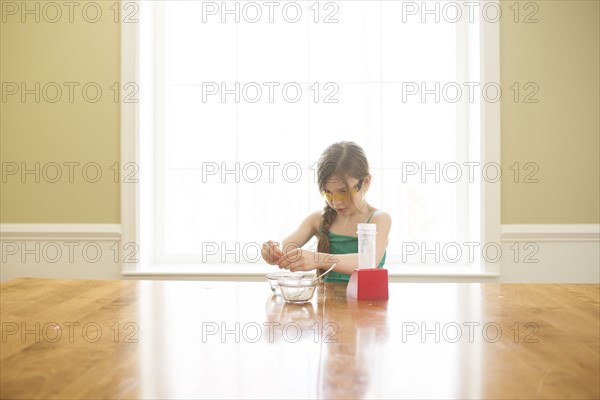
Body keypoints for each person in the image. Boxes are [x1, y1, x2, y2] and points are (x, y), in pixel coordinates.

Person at [261, 141, 392, 282]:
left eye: (344, 192)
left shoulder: (379, 219)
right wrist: (272, 252)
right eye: (328, 193)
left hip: (367, 302)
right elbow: (284, 249)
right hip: (328, 302)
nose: (336, 202)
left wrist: (319, 259)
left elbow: (368, 261)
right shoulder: (317, 220)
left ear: (366, 182)